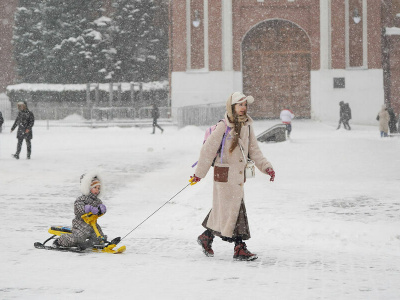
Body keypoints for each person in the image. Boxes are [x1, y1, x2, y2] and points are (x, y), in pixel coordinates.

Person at [190, 91, 275, 261]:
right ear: (232, 106)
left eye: (245, 105)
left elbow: (254, 150)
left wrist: (267, 167)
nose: (243, 108)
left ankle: (206, 237)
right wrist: (199, 174)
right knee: (235, 209)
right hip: (224, 175)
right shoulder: (223, 126)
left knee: (225, 209)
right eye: (240, 105)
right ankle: (239, 248)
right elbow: (208, 150)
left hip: (237, 177)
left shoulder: (247, 126)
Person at [54, 171, 107, 250]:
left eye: (98, 188)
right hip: (81, 225)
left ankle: (89, 243)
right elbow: (78, 208)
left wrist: (102, 209)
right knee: (78, 238)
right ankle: (60, 241)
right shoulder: (81, 199)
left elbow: (99, 210)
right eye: (95, 188)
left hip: (93, 225)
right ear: (88, 188)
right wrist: (87, 208)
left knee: (100, 237)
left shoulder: (97, 201)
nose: (97, 190)